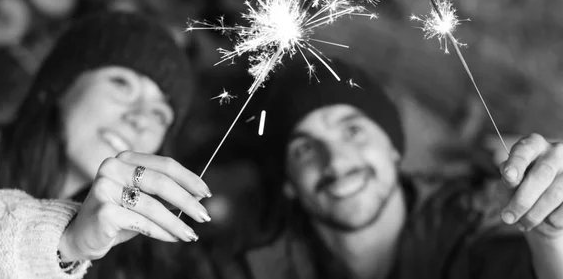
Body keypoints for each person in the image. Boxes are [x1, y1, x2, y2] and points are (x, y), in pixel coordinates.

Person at [221, 57, 563, 279]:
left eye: (353, 130)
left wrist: (551, 238)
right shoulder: (252, 270)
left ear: (393, 149)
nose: (337, 162)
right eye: (305, 148)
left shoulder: (473, 222)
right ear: (288, 184)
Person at [0, 11, 212, 278]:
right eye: (122, 84)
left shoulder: (115, 255)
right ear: (62, 84)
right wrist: (65, 244)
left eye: (159, 114)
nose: (140, 119)